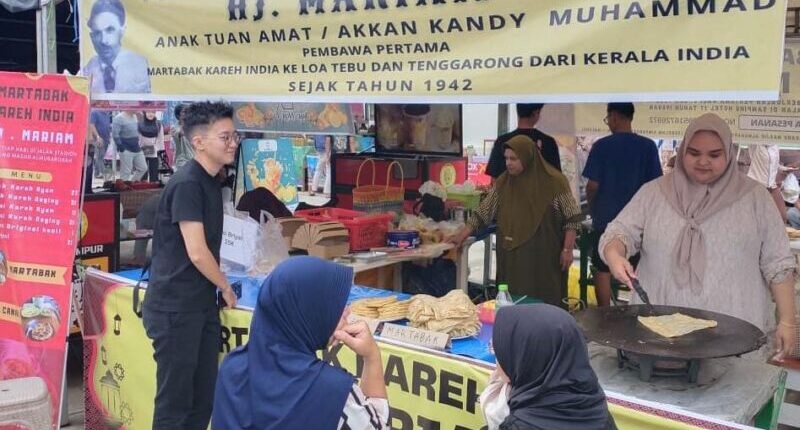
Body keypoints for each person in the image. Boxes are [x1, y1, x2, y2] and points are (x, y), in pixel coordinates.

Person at [602, 113, 797, 359]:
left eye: (714, 155)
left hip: (734, 336)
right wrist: (615, 254)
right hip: (660, 334)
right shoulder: (653, 193)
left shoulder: (756, 198)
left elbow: (778, 262)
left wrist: (788, 321)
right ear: (683, 151)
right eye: (694, 153)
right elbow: (619, 232)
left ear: (728, 153)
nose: (703, 161)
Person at [142, 101, 239, 429]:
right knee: (175, 404)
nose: (233, 144)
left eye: (234, 136)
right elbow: (197, 251)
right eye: (224, 137)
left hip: (199, 305)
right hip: (174, 307)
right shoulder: (187, 183)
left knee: (202, 399)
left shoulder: (212, 181)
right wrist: (224, 284)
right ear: (198, 142)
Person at [212, 257, 389, 429]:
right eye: (331, 304)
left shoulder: (232, 367)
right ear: (307, 313)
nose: (347, 311)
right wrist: (372, 356)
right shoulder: (333, 392)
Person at [452, 135, 582, 307]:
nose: (508, 163)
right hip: (512, 257)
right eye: (506, 158)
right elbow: (483, 213)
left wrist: (567, 249)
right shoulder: (504, 182)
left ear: (528, 156)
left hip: (543, 257)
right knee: (512, 302)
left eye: (514, 158)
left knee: (544, 303)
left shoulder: (555, 182)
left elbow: (571, 217)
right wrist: (462, 235)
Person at [481, 304, 615, 430]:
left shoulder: (519, 424)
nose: (497, 360)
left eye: (499, 351)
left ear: (528, 359)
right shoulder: (595, 407)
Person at [582, 103, 662, 306]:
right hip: (641, 224)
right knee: (641, 269)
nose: (608, 123)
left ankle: (604, 314)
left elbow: (592, 185)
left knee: (602, 268)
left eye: (608, 119)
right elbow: (656, 187)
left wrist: (593, 208)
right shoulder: (648, 146)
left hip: (606, 218)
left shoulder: (602, 146)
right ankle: (642, 310)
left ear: (615, 117)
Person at [82, 0, 151, 94]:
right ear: (91, 37)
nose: (103, 40)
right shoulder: (87, 70)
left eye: (110, 30)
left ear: (122, 31)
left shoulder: (139, 65)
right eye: (97, 33)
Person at [486, 104, 561, 181]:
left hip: (508, 192)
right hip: (541, 192)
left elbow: (494, 178)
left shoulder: (502, 141)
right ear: (536, 113)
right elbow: (556, 178)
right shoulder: (548, 142)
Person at [748, 144, 791, 223]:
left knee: (782, 216)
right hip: (756, 185)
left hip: (771, 185)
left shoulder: (776, 146)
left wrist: (786, 168)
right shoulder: (755, 144)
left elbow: (775, 164)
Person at [112, 111, 147, 181]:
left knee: (143, 168)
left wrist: (141, 118)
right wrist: (121, 147)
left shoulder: (135, 116)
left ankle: (131, 184)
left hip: (136, 147)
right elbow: (115, 134)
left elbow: (140, 129)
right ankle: (123, 189)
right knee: (126, 172)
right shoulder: (119, 118)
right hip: (126, 147)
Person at [138, 111, 164, 183]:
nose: (150, 114)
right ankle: (143, 187)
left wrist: (160, 149)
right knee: (143, 172)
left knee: (154, 172)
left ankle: (154, 188)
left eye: (153, 112)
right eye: (148, 111)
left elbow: (160, 138)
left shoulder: (158, 124)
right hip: (141, 151)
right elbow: (138, 137)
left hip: (154, 150)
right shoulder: (139, 124)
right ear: (145, 113)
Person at [171, 104, 195, 172]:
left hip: (193, 158)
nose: (187, 114)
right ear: (178, 115)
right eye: (184, 112)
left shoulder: (192, 126)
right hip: (182, 160)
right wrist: (184, 121)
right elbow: (181, 133)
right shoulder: (174, 127)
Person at [89, 109, 111, 179]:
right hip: (98, 138)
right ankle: (103, 173)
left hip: (106, 138)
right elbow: (91, 125)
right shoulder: (95, 112)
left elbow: (107, 126)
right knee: (100, 156)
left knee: (100, 156)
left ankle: (97, 173)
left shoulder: (107, 113)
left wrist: (109, 137)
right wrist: (97, 137)